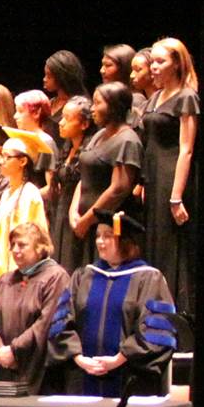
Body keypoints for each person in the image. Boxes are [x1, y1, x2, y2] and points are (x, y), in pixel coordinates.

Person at [46, 212, 178, 396]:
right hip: (82, 379)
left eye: (108, 236)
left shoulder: (148, 278)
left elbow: (156, 332)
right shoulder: (83, 276)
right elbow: (62, 323)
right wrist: (79, 358)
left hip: (130, 381)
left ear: (125, 241)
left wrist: (119, 359)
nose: (100, 241)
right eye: (98, 236)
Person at [140, 36, 199, 322]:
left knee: (170, 246)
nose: (153, 67)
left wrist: (176, 195)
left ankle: (174, 317)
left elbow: (186, 149)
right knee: (153, 243)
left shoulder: (186, 96)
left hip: (170, 177)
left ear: (176, 64)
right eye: (152, 62)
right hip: (152, 177)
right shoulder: (154, 97)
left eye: (160, 62)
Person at [0, 223, 70, 391]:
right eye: (12, 245)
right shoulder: (5, 280)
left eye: (22, 245)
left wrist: (14, 351)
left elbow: (45, 323)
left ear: (40, 247)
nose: (15, 250)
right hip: (1, 366)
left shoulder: (55, 277)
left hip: (35, 369)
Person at [70, 83, 142, 274]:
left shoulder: (127, 140)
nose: (92, 109)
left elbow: (118, 189)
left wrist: (86, 220)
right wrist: (74, 210)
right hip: (84, 224)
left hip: (105, 228)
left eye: (97, 103)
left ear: (114, 106)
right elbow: (84, 174)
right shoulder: (99, 135)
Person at [0, 133, 50, 294]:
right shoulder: (6, 193)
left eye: (7, 157)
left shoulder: (30, 194)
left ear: (22, 161)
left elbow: (32, 236)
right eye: (1, 156)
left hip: (17, 271)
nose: (1, 161)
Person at [47, 97, 91, 272]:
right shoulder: (66, 148)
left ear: (84, 125)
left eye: (68, 118)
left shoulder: (89, 151)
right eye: (62, 117)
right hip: (60, 212)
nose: (61, 123)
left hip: (76, 212)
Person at [99, 43, 146, 125]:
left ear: (124, 69)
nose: (102, 70)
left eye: (108, 65)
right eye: (103, 65)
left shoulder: (135, 100)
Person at [42, 50, 87, 124]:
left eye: (49, 76)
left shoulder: (78, 107)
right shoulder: (52, 102)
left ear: (61, 77)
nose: (44, 79)